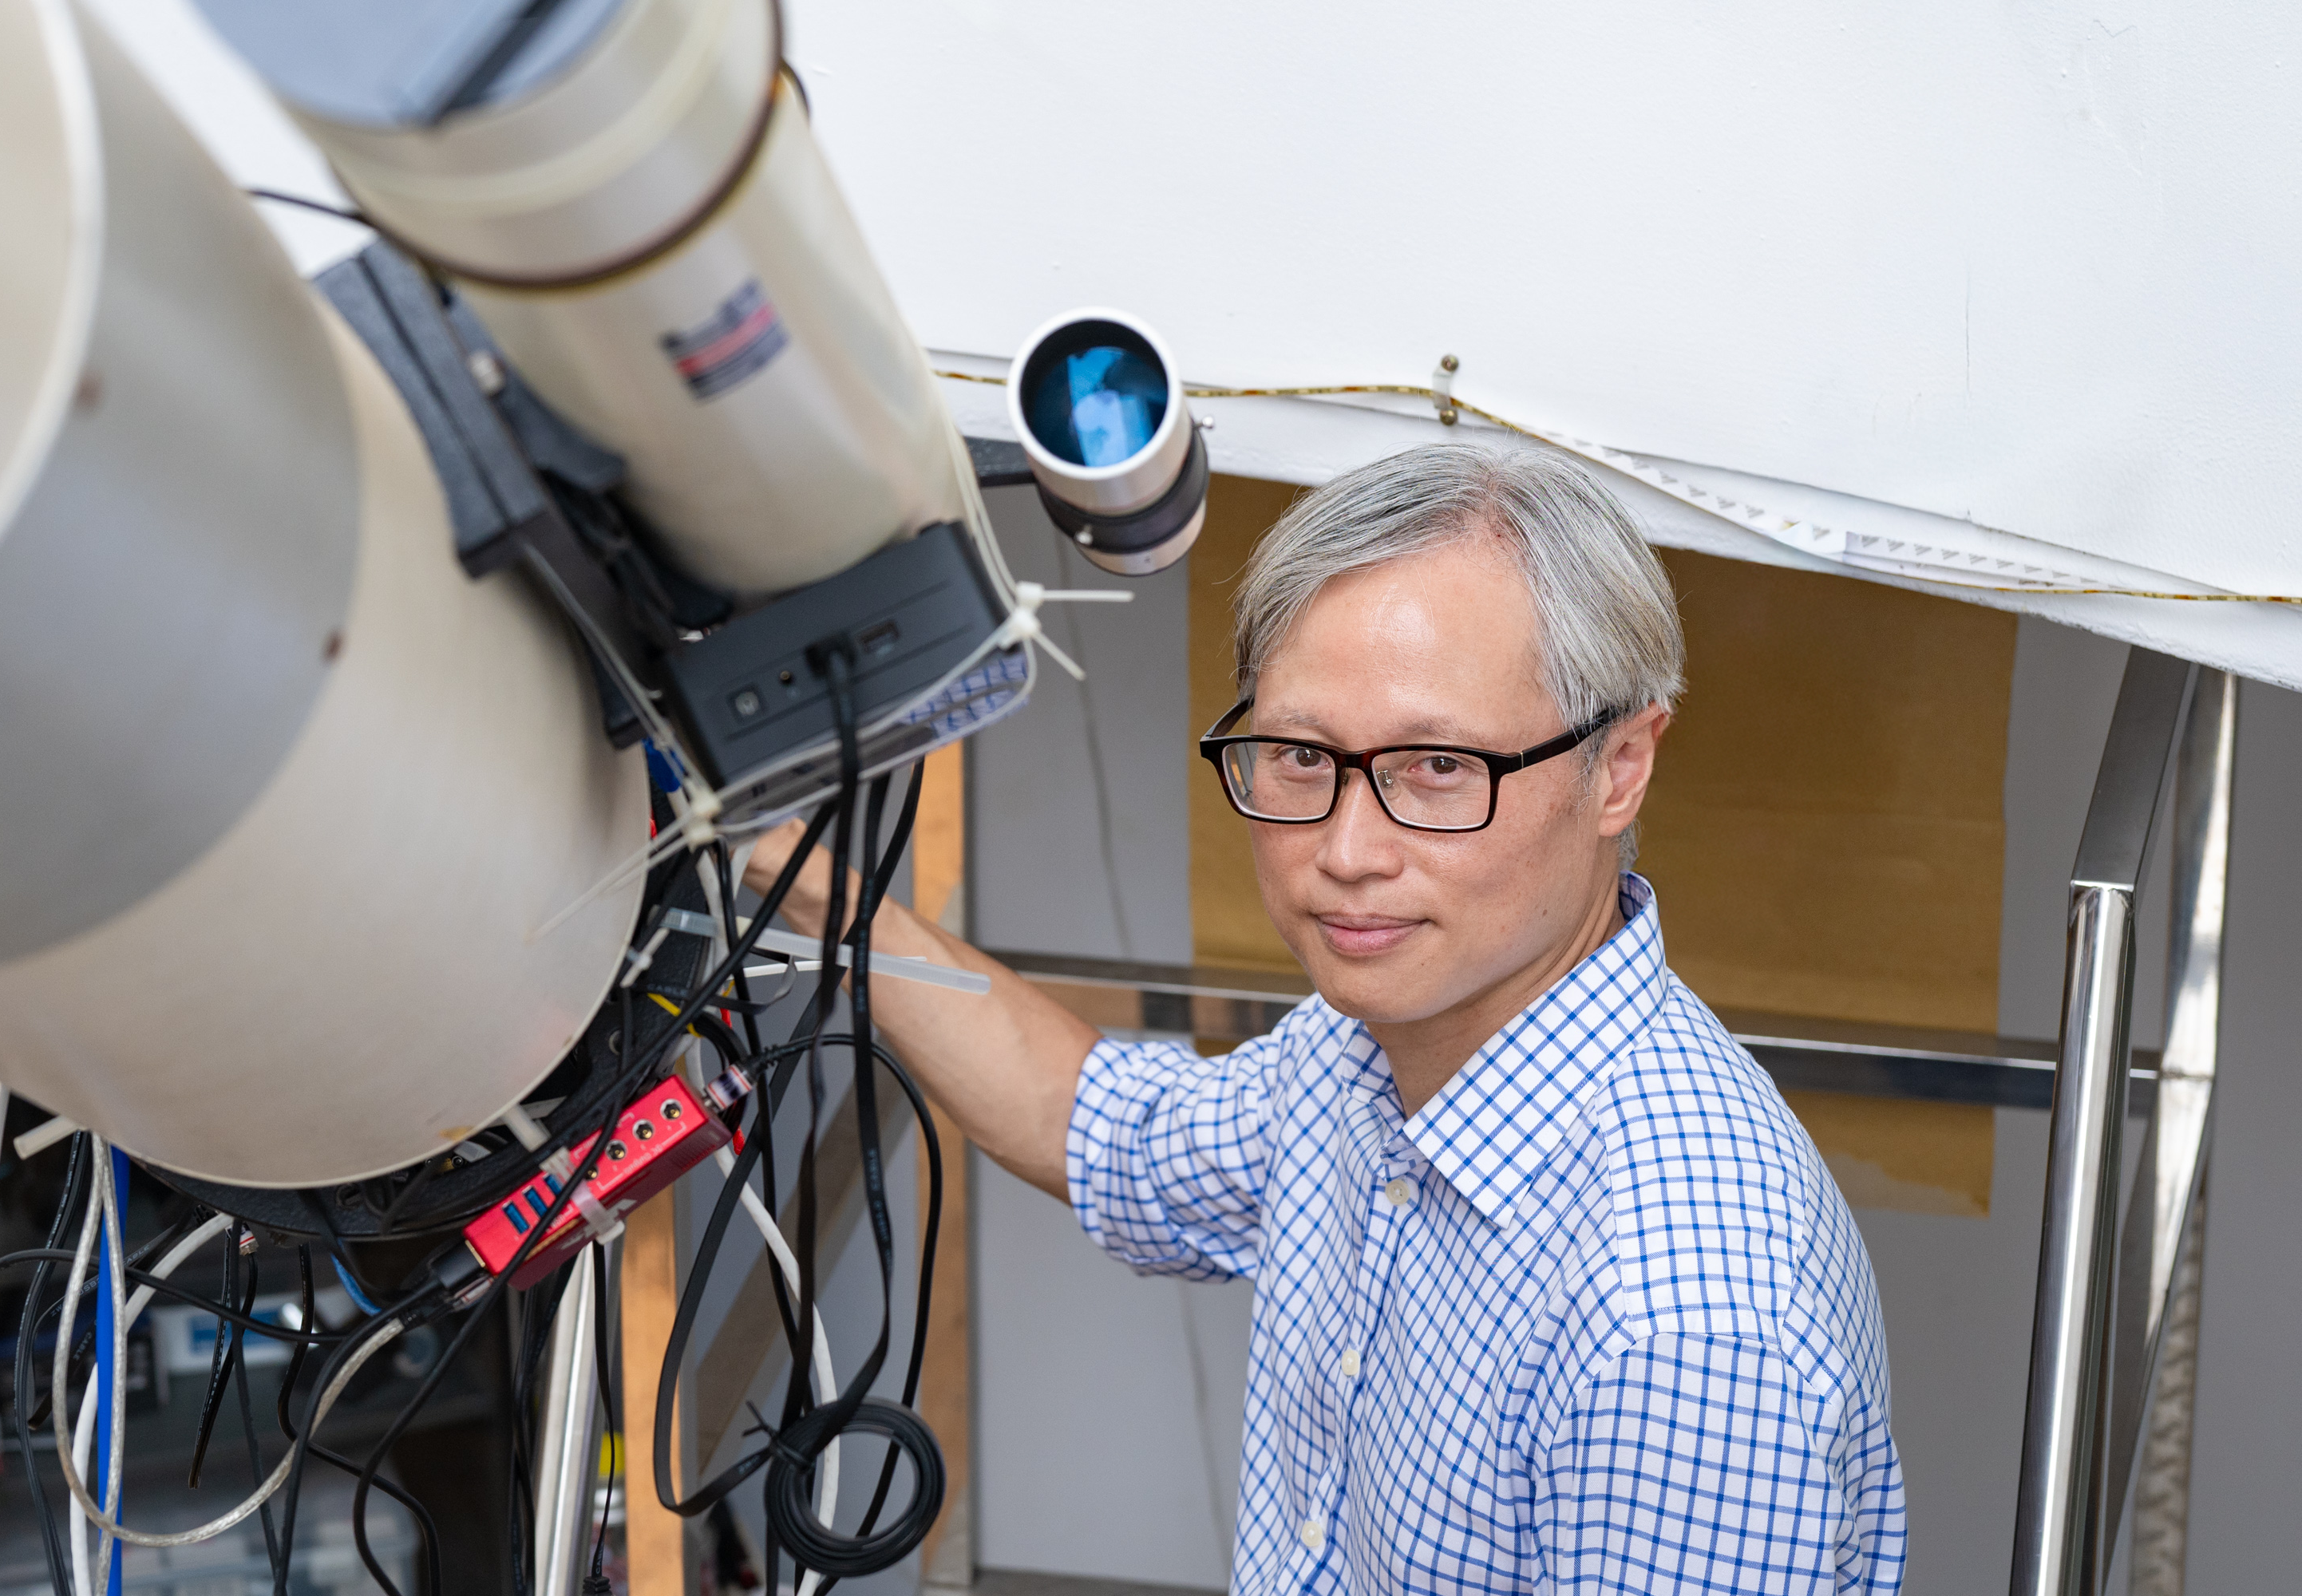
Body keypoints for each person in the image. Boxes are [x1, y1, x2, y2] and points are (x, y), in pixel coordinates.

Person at [743, 444, 1906, 1592]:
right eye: (1302, 755)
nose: (1345, 854)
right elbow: (1110, 1134)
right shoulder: (1366, 1057)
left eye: (1440, 767)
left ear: (1620, 769)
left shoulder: (1680, 1326)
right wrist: (775, 859)